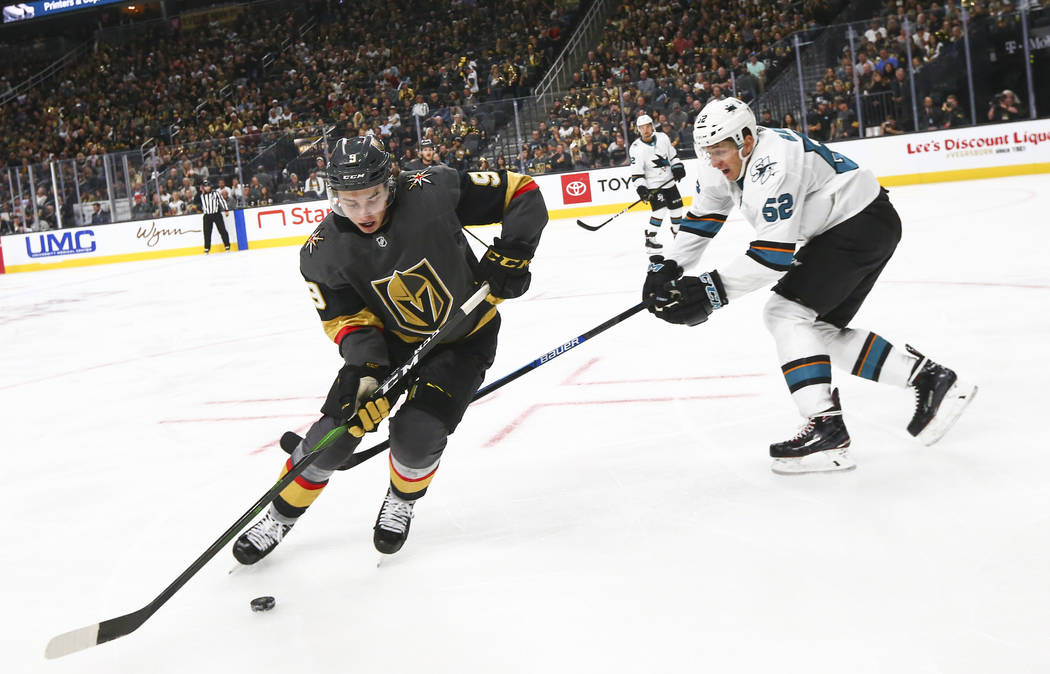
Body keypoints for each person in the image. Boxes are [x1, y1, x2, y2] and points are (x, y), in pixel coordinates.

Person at [232, 136, 548, 562]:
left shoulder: (432, 192)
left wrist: (513, 253)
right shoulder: (322, 252)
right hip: (390, 346)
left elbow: (521, 190)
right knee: (334, 435)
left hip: (465, 336)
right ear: (334, 196)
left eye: (373, 197)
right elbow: (347, 319)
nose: (364, 212)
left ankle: (402, 499)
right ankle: (280, 514)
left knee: (416, 435)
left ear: (391, 183)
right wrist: (364, 371)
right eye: (350, 202)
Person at [642, 97, 976, 474]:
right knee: (816, 330)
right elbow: (705, 215)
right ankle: (930, 379)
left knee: (786, 313)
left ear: (747, 141)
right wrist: (669, 266)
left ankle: (825, 427)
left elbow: (772, 255)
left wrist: (709, 291)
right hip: (852, 226)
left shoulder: (775, 163)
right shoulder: (719, 163)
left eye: (720, 151)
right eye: (708, 152)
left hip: (858, 224)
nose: (714, 161)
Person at [629, 114, 686, 251]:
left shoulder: (663, 137)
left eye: (648, 126)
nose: (646, 130)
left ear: (652, 126)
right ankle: (650, 239)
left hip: (668, 180)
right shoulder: (636, 148)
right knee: (660, 210)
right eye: (642, 127)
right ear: (638, 129)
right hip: (653, 184)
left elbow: (672, 155)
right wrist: (642, 188)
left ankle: (677, 235)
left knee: (677, 208)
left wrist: (678, 166)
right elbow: (637, 172)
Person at [198, 179, 230, 254]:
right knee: (207, 232)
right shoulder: (201, 196)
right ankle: (207, 248)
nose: (207, 188)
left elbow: (222, 201)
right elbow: (197, 202)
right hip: (207, 216)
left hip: (216, 214)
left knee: (222, 230)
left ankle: (227, 245)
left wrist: (226, 209)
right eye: (205, 186)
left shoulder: (216, 193)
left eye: (208, 186)